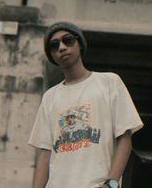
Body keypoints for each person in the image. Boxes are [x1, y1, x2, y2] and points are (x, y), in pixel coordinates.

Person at [29, 21, 143, 188]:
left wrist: (110, 184)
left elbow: (125, 139)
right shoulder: (50, 97)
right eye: (54, 45)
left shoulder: (109, 82)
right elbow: (45, 154)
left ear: (80, 44)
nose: (61, 47)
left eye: (68, 40)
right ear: (52, 55)